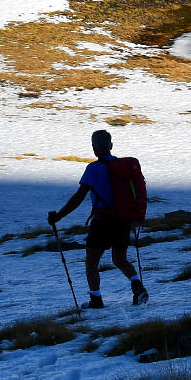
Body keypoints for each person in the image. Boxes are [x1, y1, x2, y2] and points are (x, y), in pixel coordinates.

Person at [48, 129, 148, 308]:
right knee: (120, 259)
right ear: (111, 145)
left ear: (94, 148)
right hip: (123, 220)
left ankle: (96, 300)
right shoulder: (122, 167)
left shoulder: (94, 168)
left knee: (91, 263)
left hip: (102, 222)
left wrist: (59, 216)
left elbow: (78, 197)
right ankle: (137, 287)